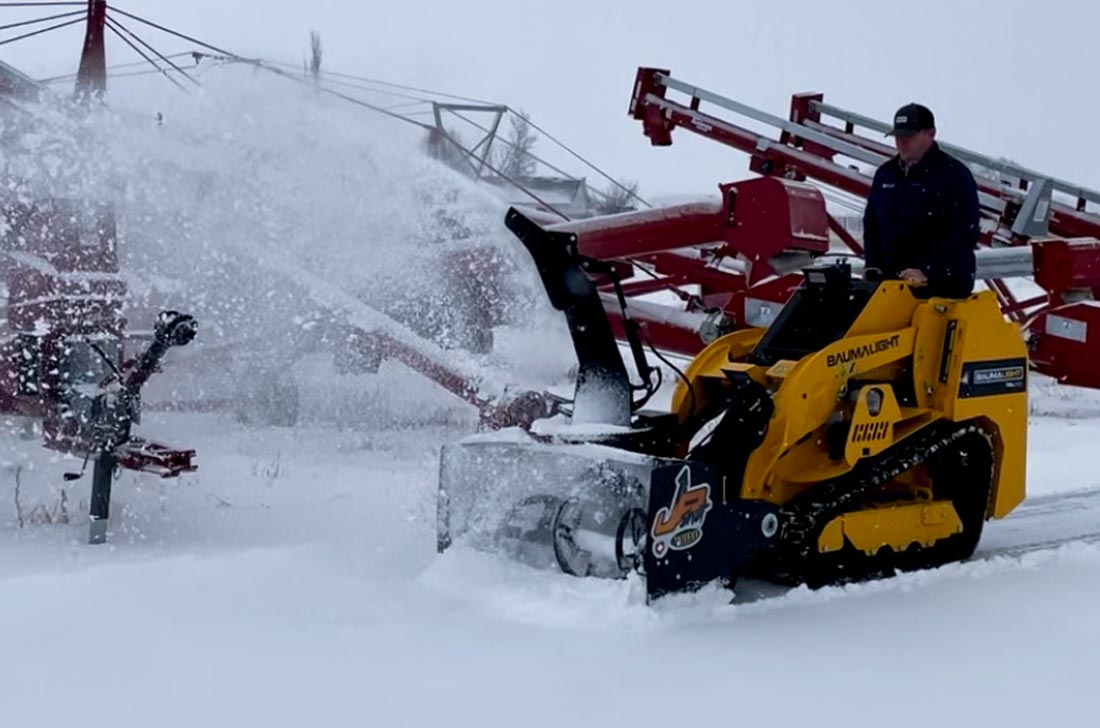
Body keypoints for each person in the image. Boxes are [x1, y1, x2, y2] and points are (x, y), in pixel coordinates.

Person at [862, 103, 979, 298]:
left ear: (930, 134)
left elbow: (964, 231)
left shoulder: (953, 175)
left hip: (941, 287)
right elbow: (872, 225)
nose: (901, 142)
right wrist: (873, 266)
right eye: (898, 137)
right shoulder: (885, 174)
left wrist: (928, 270)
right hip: (893, 286)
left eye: (909, 136)